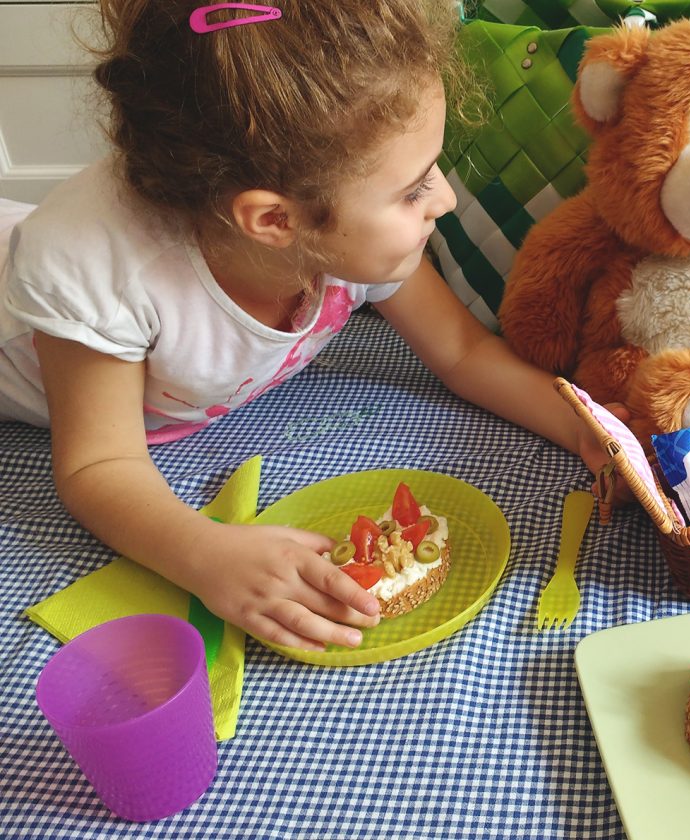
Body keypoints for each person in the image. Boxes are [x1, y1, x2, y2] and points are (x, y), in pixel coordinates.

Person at [0, 0, 616, 652]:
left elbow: (461, 351)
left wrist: (582, 423)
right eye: (412, 190)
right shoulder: (96, 271)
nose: (445, 199)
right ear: (275, 222)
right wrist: (205, 553)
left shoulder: (339, 226)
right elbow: (100, 461)